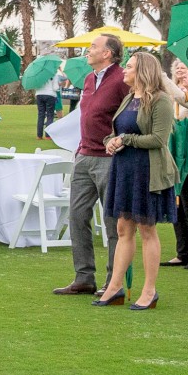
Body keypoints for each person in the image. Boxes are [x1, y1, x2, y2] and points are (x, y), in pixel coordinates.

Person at [93, 51, 179, 310]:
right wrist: (110, 142)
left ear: (142, 71)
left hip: (148, 172)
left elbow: (158, 140)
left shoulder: (161, 100)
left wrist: (125, 140)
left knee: (147, 229)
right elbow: (116, 131)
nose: (124, 71)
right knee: (122, 229)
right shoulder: (129, 98)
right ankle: (115, 287)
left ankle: (149, 291)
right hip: (125, 169)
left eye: (128, 67)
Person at [54, 33, 126, 296]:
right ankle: (84, 277)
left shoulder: (121, 79)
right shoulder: (87, 79)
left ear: (107, 53)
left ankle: (113, 281)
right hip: (84, 155)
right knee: (76, 216)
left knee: (113, 223)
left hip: (110, 159)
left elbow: (132, 116)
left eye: (93, 47)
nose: (88, 50)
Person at [162, 62, 188, 270]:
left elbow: (182, 98)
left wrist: (162, 76)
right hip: (177, 158)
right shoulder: (181, 99)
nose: (184, 76)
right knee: (176, 206)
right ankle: (183, 252)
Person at [35, 71, 60, 139]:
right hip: (50, 95)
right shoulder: (53, 73)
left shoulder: (37, 73)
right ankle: (48, 135)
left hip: (39, 94)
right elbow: (55, 87)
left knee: (41, 115)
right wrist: (58, 87)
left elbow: (35, 85)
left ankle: (39, 135)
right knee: (50, 115)